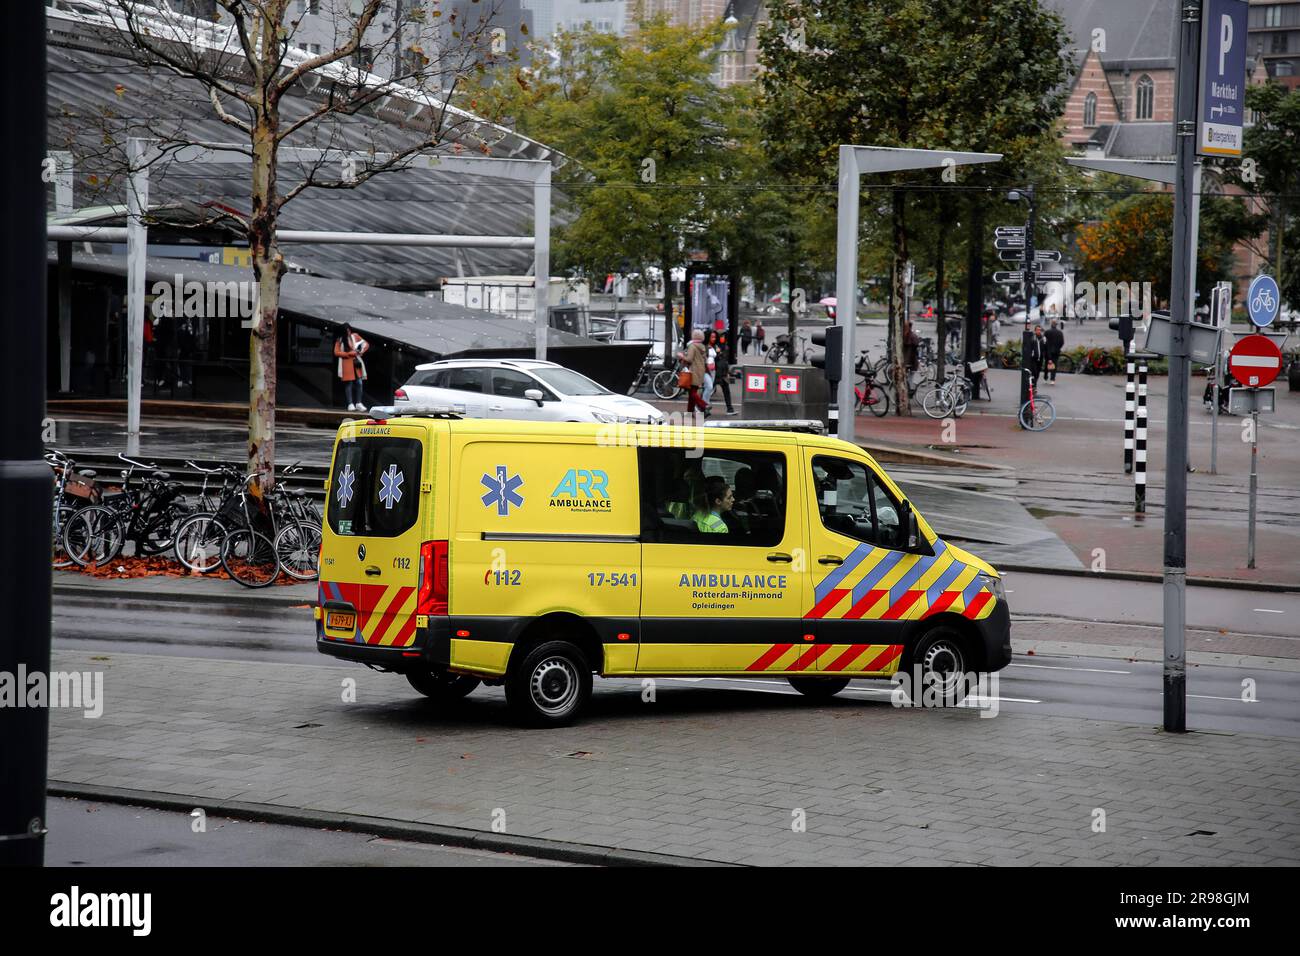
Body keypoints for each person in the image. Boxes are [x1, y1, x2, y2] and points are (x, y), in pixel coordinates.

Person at [334, 323, 369, 411]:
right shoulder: (340, 339)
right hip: (346, 362)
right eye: (346, 331)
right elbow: (336, 352)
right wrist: (348, 353)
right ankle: (350, 403)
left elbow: (366, 344)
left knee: (359, 383)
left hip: (356, 362)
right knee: (348, 383)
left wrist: (361, 351)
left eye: (349, 330)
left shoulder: (355, 336)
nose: (348, 332)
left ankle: (358, 403)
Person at [676, 328, 709, 417]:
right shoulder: (702, 346)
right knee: (692, 392)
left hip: (693, 371)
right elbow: (705, 359)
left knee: (692, 392)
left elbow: (689, 359)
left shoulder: (692, 346)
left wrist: (682, 356)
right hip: (700, 370)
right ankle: (690, 413)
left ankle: (705, 405)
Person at [712, 329, 738, 415]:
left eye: (724, 336)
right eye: (721, 336)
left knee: (726, 390)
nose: (723, 338)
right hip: (715, 372)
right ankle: (699, 407)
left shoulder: (725, 346)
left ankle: (730, 409)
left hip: (722, 372)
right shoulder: (714, 346)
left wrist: (727, 372)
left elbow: (725, 360)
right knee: (708, 390)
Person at [1025, 324, 1046, 389]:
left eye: (1040, 330)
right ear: (1035, 331)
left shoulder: (1043, 338)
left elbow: (1046, 348)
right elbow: (1029, 347)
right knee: (1034, 372)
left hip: (1040, 358)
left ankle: (1034, 385)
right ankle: (1034, 386)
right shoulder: (1033, 338)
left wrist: (1047, 357)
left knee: (1037, 373)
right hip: (1033, 358)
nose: (1039, 331)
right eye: (1037, 330)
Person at [1044, 319, 1065, 385]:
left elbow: (1044, 341)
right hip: (1056, 351)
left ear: (1051, 324)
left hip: (1048, 351)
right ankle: (1052, 379)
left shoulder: (1047, 332)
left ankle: (1045, 377)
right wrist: (1058, 348)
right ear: (1056, 325)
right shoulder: (1060, 333)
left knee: (1047, 364)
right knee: (1054, 365)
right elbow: (1062, 342)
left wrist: (1045, 349)